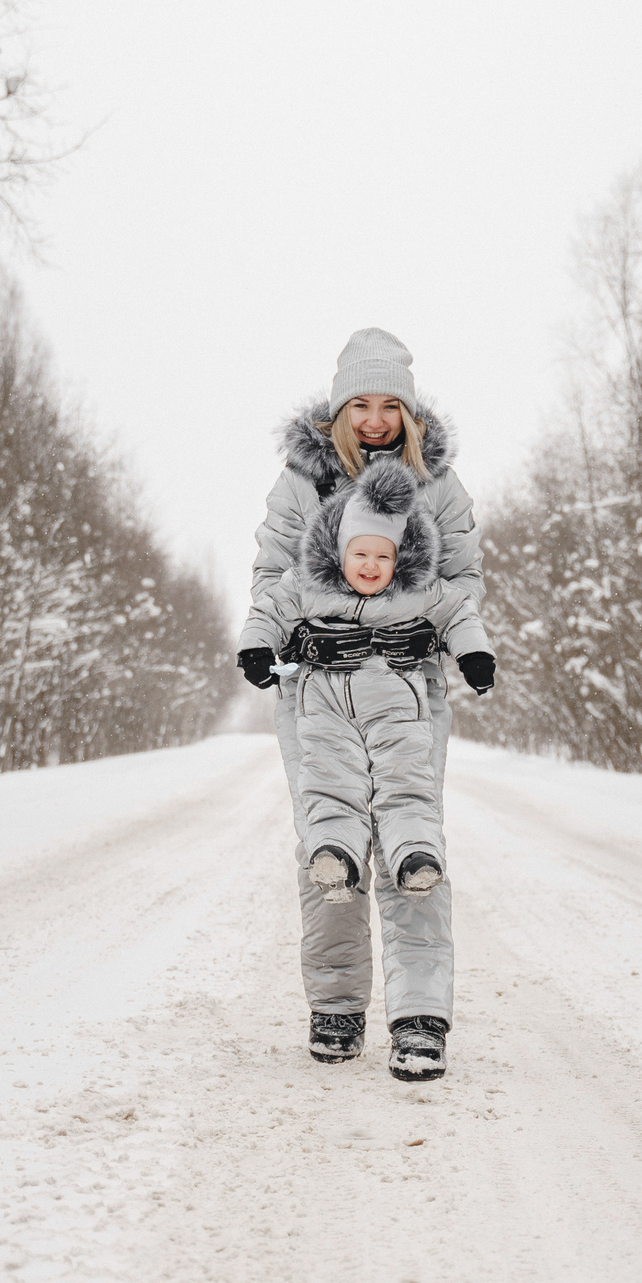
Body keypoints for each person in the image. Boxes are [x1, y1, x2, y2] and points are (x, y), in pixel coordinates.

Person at [238, 328, 490, 1074]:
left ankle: (420, 1016)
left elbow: (465, 580)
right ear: (339, 409)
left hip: (411, 689)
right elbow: (272, 574)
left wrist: (452, 636)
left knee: (414, 841)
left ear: (408, 415)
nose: (375, 420)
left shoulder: (438, 485)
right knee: (330, 842)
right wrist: (272, 637)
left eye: (390, 407)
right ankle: (338, 1006)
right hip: (318, 689)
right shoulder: (301, 481)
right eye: (360, 405)